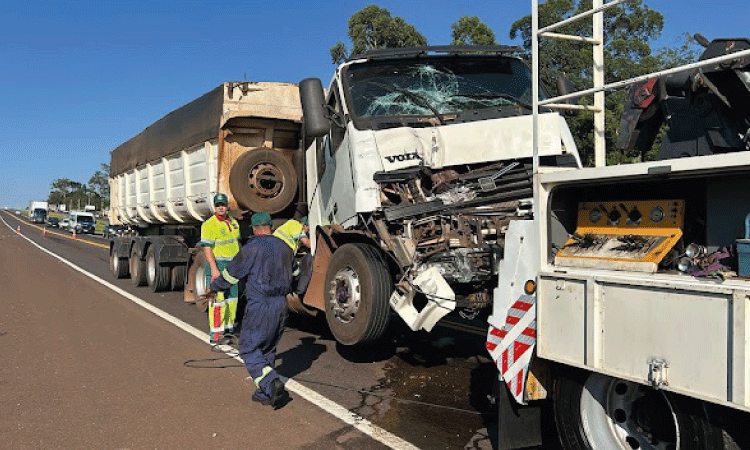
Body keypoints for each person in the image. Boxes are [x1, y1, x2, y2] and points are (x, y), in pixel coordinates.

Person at [205, 212, 294, 407]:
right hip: (281, 304)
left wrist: (213, 288)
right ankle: (265, 392)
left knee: (248, 348)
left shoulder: (250, 248)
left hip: (260, 304)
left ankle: (271, 383)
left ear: (253, 229)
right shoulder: (285, 247)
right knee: (268, 347)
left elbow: (230, 276)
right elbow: (294, 272)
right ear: (270, 226)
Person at [200, 193, 241, 344]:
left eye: (222, 205)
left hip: (233, 267)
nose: (220, 208)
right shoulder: (209, 225)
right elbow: (207, 249)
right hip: (218, 266)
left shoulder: (234, 223)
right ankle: (216, 334)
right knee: (217, 301)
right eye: (217, 205)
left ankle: (228, 331)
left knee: (232, 300)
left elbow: (237, 244)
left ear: (228, 206)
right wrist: (214, 270)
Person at [273, 217, 312, 295]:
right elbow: (307, 243)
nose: (308, 231)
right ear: (305, 225)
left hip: (275, 252)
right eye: (308, 229)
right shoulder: (296, 225)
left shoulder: (290, 228)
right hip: (280, 252)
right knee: (296, 272)